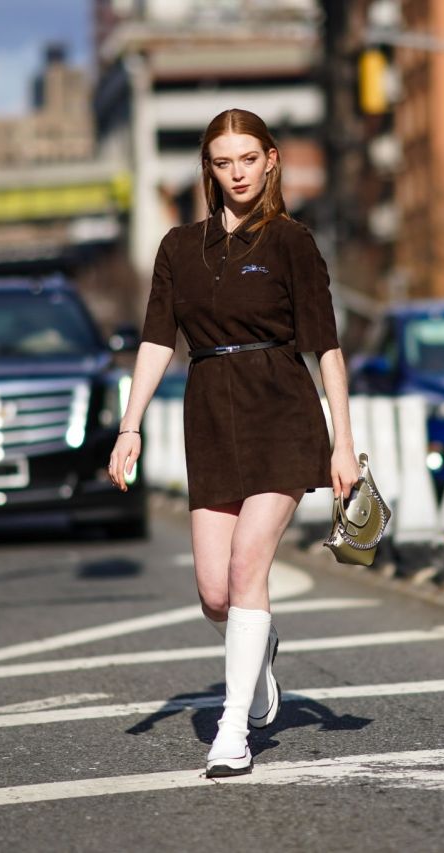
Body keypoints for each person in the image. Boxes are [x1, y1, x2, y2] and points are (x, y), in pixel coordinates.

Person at [107, 108, 359, 779]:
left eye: (249, 158)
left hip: (280, 408)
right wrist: (128, 427)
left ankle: (232, 729)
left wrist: (342, 442)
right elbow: (158, 339)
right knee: (215, 594)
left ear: (271, 160)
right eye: (224, 161)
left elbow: (325, 347)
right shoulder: (179, 249)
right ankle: (259, 641)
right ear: (208, 169)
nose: (238, 172)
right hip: (210, 415)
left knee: (250, 565)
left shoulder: (291, 242)